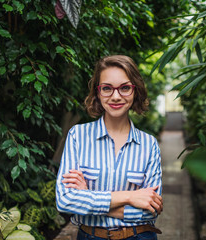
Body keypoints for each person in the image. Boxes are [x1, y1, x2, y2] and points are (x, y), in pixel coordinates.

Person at [56, 55, 163, 240]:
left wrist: (88, 198)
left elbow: (150, 212)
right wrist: (129, 197)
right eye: (107, 88)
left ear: (135, 91)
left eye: (125, 88)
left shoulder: (149, 144)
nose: (115, 96)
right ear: (97, 92)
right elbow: (65, 201)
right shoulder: (78, 136)